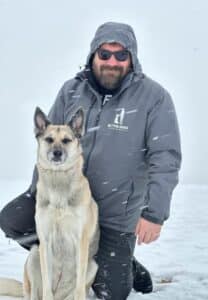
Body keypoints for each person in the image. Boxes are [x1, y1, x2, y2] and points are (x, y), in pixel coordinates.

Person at [0, 22, 182, 299]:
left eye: (121, 55)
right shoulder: (72, 90)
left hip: (114, 218)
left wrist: (154, 212)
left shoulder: (153, 98)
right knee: (13, 219)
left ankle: (121, 261)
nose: (112, 61)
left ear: (132, 57)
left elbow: (165, 157)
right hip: (64, 197)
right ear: (93, 55)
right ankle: (64, 255)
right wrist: (37, 192)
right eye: (105, 54)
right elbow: (49, 144)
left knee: (114, 292)